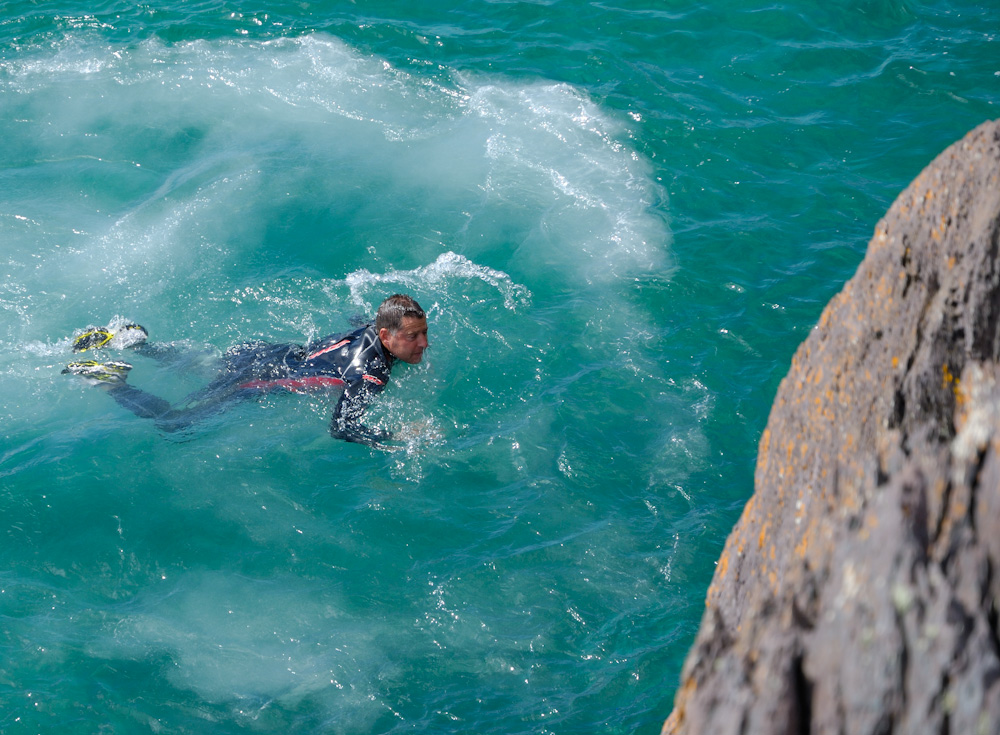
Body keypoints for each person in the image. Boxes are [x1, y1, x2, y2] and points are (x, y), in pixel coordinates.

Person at [61, 294, 429, 448]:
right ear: (385, 334)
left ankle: (135, 342)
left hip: (267, 353)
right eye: (414, 337)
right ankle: (109, 382)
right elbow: (341, 427)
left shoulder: (373, 326)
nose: (424, 344)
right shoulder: (370, 373)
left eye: (424, 333)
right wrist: (397, 434)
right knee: (176, 424)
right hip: (262, 377)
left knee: (211, 367)